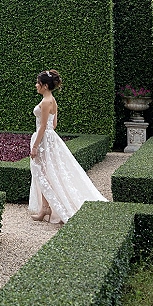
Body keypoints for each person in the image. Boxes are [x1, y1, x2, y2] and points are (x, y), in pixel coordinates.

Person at [28, 69, 106, 224]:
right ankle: (45, 207)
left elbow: (43, 126)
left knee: (43, 173)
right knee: (45, 173)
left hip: (43, 139)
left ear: (44, 85)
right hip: (51, 138)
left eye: (38, 83)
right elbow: (54, 124)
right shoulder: (53, 100)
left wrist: (35, 146)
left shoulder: (45, 102)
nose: (36, 85)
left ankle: (46, 208)